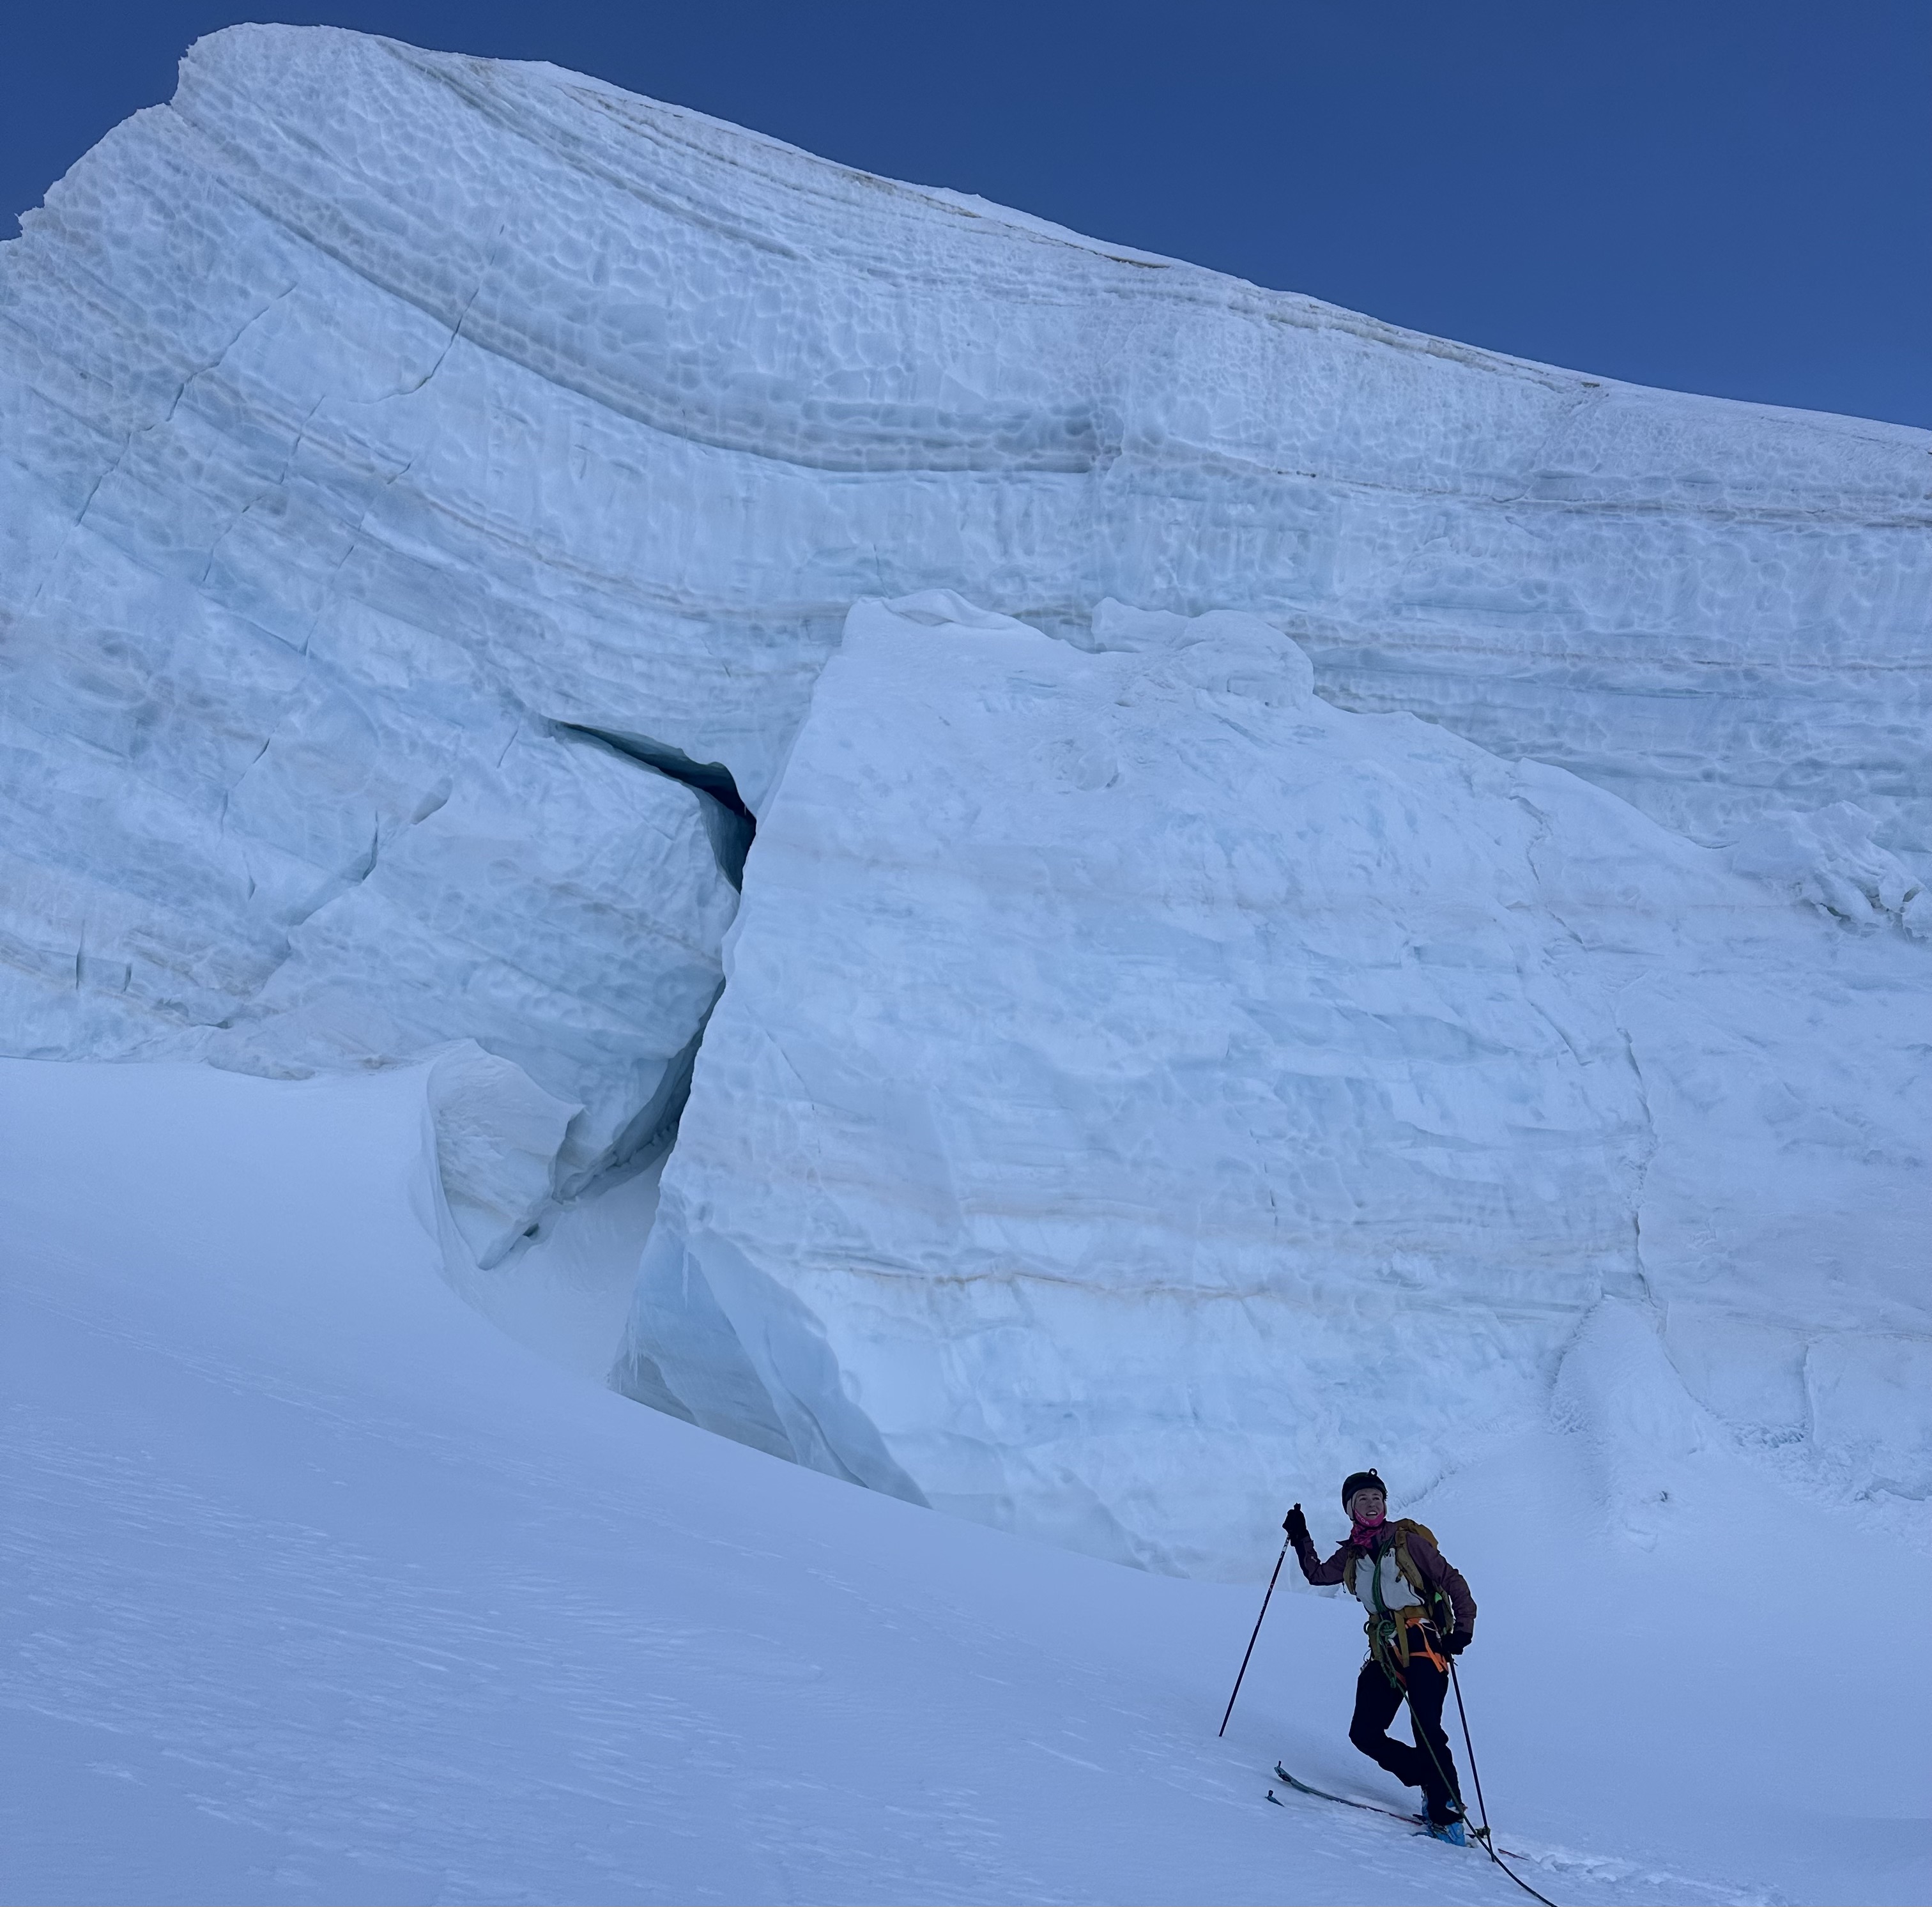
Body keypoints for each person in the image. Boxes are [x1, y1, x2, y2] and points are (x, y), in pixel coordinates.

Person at [1284, 1467, 1477, 1846]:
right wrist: (1300, 1537)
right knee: (1365, 1733)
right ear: (1350, 1509)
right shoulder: (1353, 1554)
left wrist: (1463, 1630)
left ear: (1385, 1504)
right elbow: (1318, 1575)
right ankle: (1430, 1778)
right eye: (1362, 1500)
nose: (1371, 1504)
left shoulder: (1407, 1542)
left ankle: (1445, 1811)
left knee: (1427, 1731)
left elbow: (1453, 1579)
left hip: (1424, 1645)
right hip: (1386, 1651)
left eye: (1377, 1498)